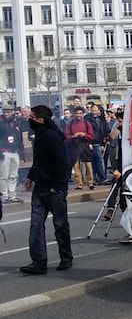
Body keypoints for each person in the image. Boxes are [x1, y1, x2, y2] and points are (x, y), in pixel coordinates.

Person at [20, 105, 73, 275]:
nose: (30, 119)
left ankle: (66, 257)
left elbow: (61, 163)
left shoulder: (51, 136)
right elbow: (38, 161)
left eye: (32, 117)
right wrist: (30, 176)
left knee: (60, 225)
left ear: (40, 120)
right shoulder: (40, 136)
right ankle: (38, 261)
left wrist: (57, 186)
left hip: (54, 190)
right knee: (36, 226)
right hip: (40, 187)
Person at [64, 107, 95, 190]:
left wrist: (84, 135)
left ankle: (90, 183)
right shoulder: (69, 124)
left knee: (88, 165)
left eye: (80, 113)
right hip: (74, 145)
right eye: (77, 113)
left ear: (83, 114)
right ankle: (79, 184)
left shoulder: (87, 123)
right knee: (76, 165)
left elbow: (92, 136)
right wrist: (73, 136)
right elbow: (66, 137)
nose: (78, 115)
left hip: (85, 145)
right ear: (74, 114)